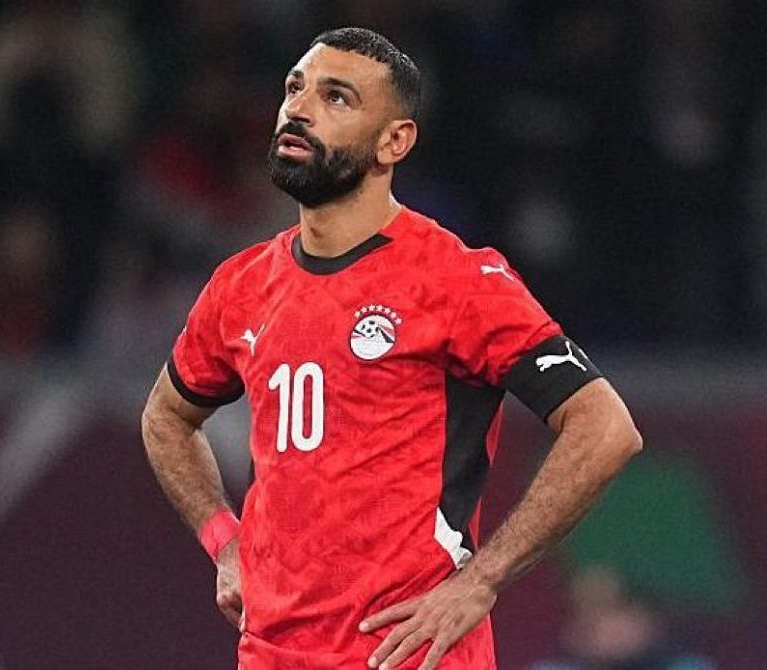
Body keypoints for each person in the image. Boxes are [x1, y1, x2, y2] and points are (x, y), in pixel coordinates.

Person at [142, 27, 642, 670]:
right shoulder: (241, 285)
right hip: (270, 652)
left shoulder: (455, 279)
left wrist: (483, 579)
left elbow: (605, 427)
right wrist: (224, 543)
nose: (299, 108)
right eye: (295, 88)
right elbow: (166, 417)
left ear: (394, 141)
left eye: (336, 97)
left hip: (409, 654)